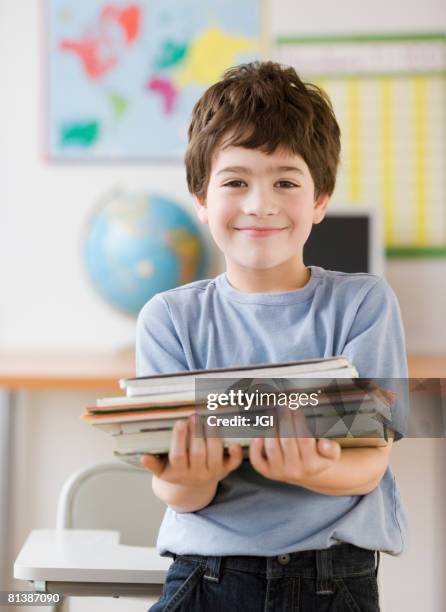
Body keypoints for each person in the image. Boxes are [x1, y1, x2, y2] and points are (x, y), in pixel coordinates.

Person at [137, 61, 408, 611]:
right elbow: (172, 488)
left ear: (319, 199)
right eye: (235, 181)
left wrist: (319, 468)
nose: (260, 204)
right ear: (201, 199)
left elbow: (370, 461)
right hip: (205, 578)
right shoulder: (168, 318)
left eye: (285, 181)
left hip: (332, 580)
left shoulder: (364, 303)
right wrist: (193, 479)